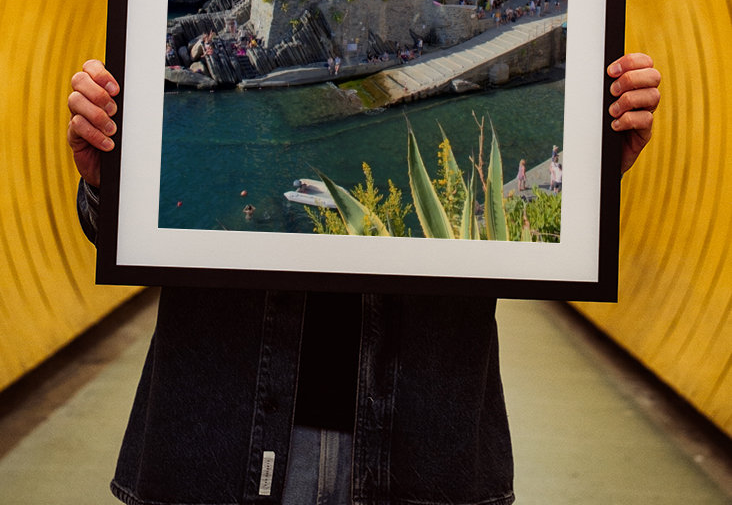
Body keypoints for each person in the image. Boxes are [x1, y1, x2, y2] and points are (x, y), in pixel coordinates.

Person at [67, 53, 660, 505]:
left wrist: (593, 175)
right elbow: (120, 236)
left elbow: (530, 240)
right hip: (225, 437)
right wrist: (107, 182)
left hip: (421, 446)